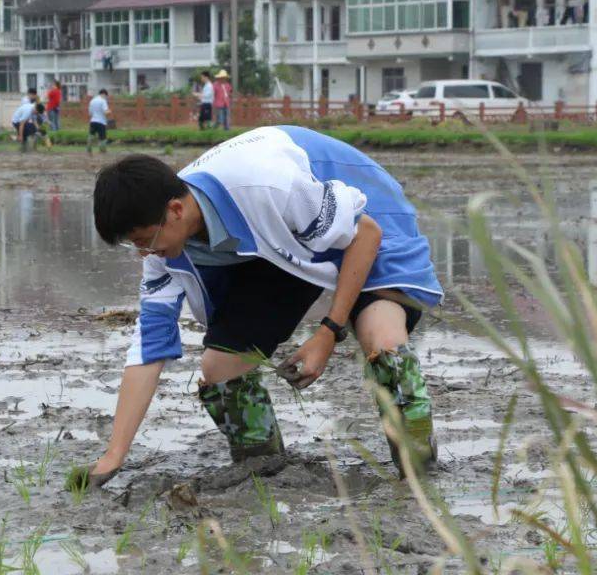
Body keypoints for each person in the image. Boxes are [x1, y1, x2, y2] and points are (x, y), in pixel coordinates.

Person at [87, 126, 443, 486]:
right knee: (220, 367)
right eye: (136, 245)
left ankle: (418, 469)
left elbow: (365, 234)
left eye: (146, 241)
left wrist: (328, 333)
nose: (145, 253)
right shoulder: (162, 250)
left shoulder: (269, 186)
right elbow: (149, 348)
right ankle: (263, 466)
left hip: (367, 217)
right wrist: (114, 455)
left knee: (382, 343)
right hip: (284, 241)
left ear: (176, 209)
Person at [87, 89, 110, 154]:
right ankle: (102, 150)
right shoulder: (103, 101)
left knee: (91, 135)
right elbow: (106, 112)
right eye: (106, 96)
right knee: (102, 137)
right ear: (104, 94)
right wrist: (109, 111)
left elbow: (90, 113)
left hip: (93, 121)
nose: (106, 98)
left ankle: (89, 149)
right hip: (101, 122)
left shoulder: (92, 101)